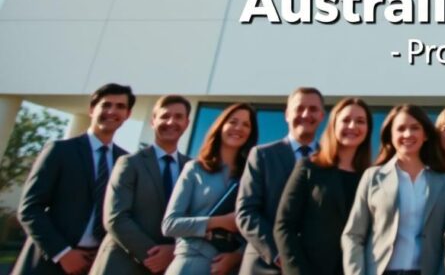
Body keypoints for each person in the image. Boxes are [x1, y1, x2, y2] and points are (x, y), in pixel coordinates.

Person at [15, 83, 135, 275]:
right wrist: (62, 253)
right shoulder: (60, 151)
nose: (112, 111)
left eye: (120, 106)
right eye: (106, 105)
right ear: (91, 109)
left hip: (96, 264)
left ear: (127, 115)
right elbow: (30, 209)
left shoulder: (127, 162)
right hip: (48, 263)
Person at [342, 104, 445, 275]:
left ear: (426, 135)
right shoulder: (373, 177)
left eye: (415, 128)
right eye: (400, 129)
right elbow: (353, 235)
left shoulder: (443, 182)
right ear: (390, 136)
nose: (407, 134)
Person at [93, 95, 193, 275]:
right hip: (122, 264)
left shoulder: (193, 169)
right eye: (164, 116)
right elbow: (116, 218)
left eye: (178, 117)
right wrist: (154, 255)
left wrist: (173, 252)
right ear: (153, 121)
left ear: (187, 123)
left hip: (171, 266)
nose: (171, 122)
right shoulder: (129, 163)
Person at [274, 98, 373, 275]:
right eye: (346, 120)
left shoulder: (372, 177)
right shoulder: (309, 168)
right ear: (333, 125)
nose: (352, 126)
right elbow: (284, 226)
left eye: (360, 121)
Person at [162, 103, 259, 275]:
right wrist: (220, 221)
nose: (239, 128)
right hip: (191, 263)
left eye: (246, 124)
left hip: (231, 267)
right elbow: (170, 225)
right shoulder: (195, 169)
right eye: (233, 121)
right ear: (220, 126)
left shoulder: (253, 176)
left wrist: (236, 257)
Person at [237, 88, 325, 275]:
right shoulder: (262, 155)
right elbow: (246, 212)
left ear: (322, 115)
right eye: (299, 108)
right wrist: (280, 254)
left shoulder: (330, 160)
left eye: (313, 109)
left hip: (313, 266)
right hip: (264, 264)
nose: (306, 114)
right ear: (287, 114)